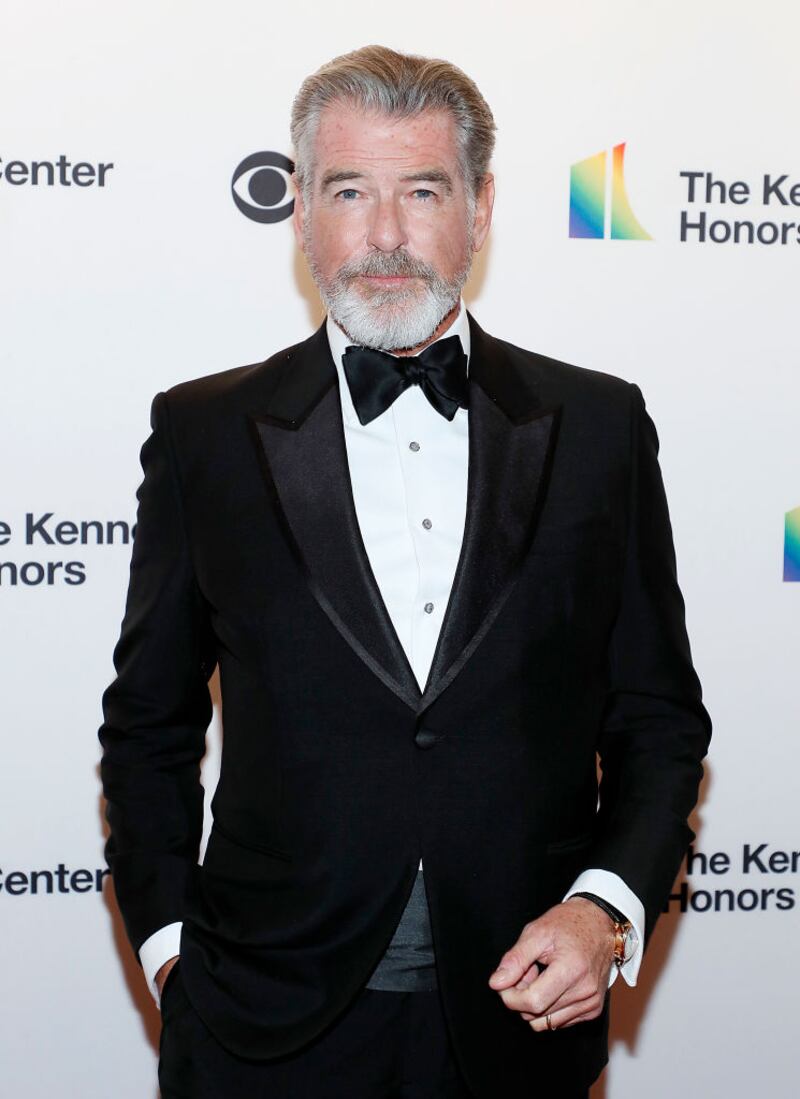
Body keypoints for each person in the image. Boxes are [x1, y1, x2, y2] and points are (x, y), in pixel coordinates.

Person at [98, 44, 712, 1099]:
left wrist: (603, 908)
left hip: (517, 1013)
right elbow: (147, 724)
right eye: (348, 191)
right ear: (298, 212)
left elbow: (656, 717)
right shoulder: (204, 431)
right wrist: (170, 955)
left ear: (477, 207)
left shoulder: (598, 425)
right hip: (258, 1023)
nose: (384, 235)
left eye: (421, 190)